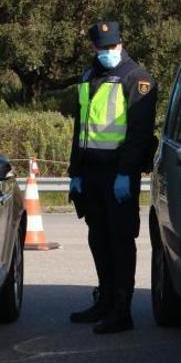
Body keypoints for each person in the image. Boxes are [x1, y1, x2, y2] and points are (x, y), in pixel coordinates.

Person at [67, 21, 158, 334]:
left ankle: (122, 311)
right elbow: (80, 128)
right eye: (101, 47)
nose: (107, 52)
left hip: (118, 173)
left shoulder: (138, 79)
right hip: (91, 171)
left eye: (111, 46)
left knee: (120, 241)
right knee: (99, 238)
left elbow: (139, 134)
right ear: (94, 48)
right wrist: (74, 171)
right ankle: (104, 301)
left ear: (121, 44)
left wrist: (125, 173)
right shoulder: (89, 75)